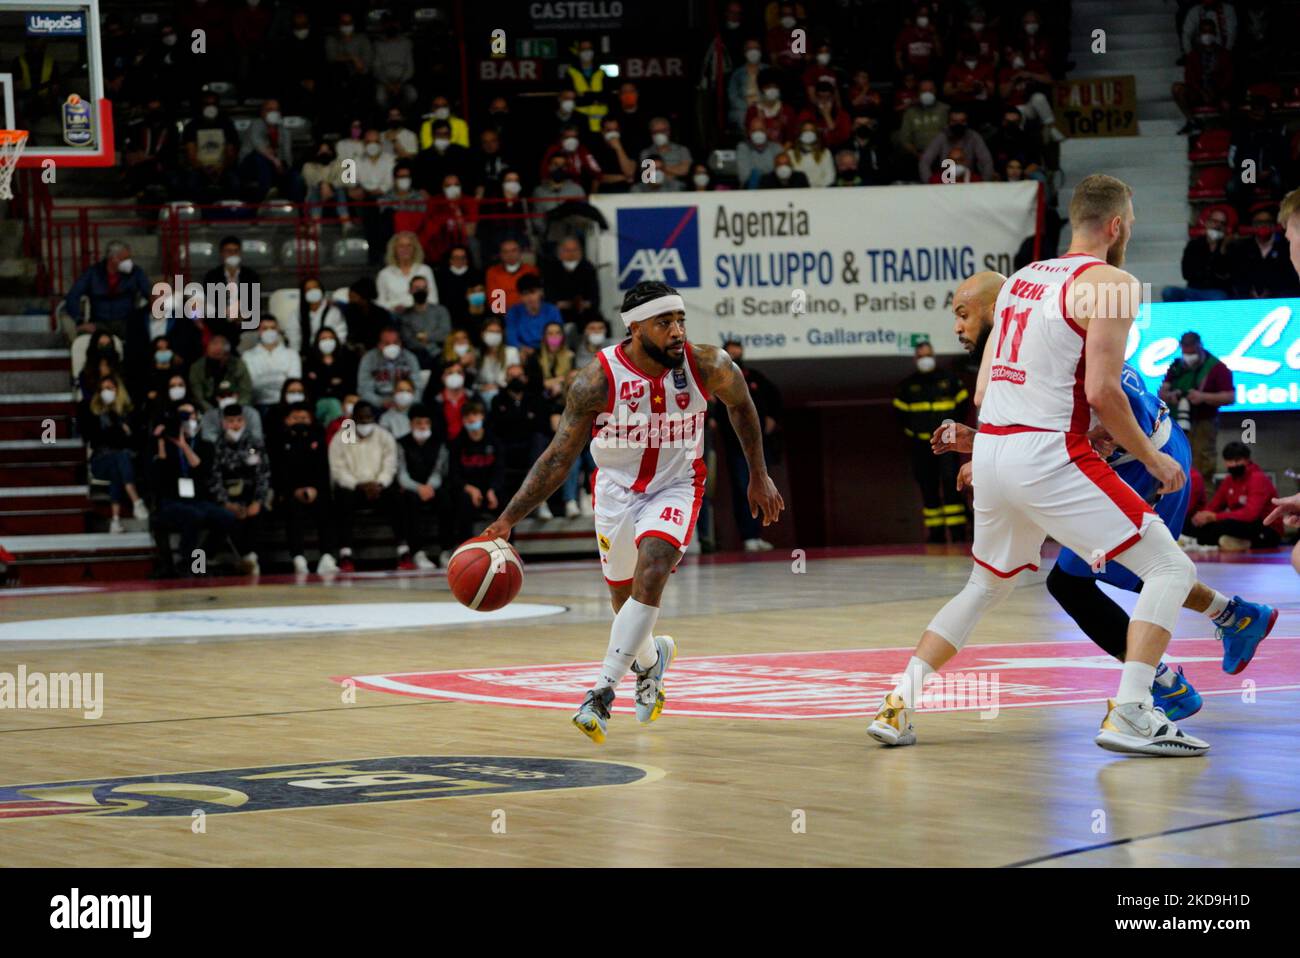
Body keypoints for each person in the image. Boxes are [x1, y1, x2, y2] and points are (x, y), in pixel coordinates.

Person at [869, 174, 1224, 757]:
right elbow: (1105, 392)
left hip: (996, 452)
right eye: (1130, 221)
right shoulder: (1112, 283)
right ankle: (1133, 710)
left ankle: (898, 703)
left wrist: (982, 448)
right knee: (1169, 569)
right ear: (1115, 225)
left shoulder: (1020, 281)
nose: (1129, 229)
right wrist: (1152, 457)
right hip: (1050, 454)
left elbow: (985, 393)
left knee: (983, 587)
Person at [938, 271, 1275, 723]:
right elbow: (1046, 431)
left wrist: (985, 449)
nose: (957, 328)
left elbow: (1092, 431)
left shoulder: (1032, 346)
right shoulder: (1031, 333)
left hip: (1143, 456)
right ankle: (1225, 625)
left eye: (963, 315)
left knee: (1100, 578)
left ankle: (1159, 686)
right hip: (1141, 445)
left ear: (999, 308)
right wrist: (986, 447)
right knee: (1115, 575)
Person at [482, 280, 784, 743]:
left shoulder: (708, 364)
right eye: (665, 322)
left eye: (681, 320)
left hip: (677, 485)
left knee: (654, 567)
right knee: (625, 601)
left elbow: (742, 408)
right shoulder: (595, 380)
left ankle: (601, 692)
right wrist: (507, 519)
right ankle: (650, 661)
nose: (678, 331)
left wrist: (758, 475)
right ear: (635, 328)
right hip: (616, 490)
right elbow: (558, 458)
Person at [709, 339, 783, 552]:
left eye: (737, 352)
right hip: (736, 447)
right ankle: (748, 535)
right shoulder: (718, 380)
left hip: (759, 445)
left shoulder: (755, 377)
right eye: (730, 353)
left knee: (764, 487)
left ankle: (758, 534)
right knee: (744, 488)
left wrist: (772, 418)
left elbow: (775, 397)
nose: (735, 355)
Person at [149, 401, 236, 578]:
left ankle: (199, 561)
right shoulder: (164, 442)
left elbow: (202, 471)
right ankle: (188, 562)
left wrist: (184, 445)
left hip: (197, 499)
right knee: (193, 516)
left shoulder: (205, 445)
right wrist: (161, 442)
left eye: (191, 415)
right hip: (171, 500)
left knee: (226, 518)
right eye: (183, 415)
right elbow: (160, 476)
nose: (188, 419)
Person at [895, 340, 969, 543]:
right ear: (915, 359)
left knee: (952, 485)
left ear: (933, 356)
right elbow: (900, 416)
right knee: (928, 488)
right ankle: (936, 536)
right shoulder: (907, 387)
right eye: (921, 356)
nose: (924, 360)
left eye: (927, 355)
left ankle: (958, 535)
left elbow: (962, 407)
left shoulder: (950, 381)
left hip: (947, 445)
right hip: (921, 445)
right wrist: (915, 432)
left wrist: (950, 432)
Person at [327, 401, 412, 572]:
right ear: (353, 419)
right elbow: (338, 469)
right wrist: (358, 485)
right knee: (342, 497)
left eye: (369, 418)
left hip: (379, 487)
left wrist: (379, 483)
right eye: (361, 418)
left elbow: (390, 465)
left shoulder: (383, 435)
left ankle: (404, 550)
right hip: (353, 488)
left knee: (399, 497)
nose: (365, 422)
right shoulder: (345, 435)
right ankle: (345, 553)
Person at [1158, 331, 1233, 482]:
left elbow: (1230, 397)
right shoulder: (1176, 366)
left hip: (1203, 423)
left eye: (1192, 350)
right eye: (1185, 350)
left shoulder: (1216, 368)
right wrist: (1170, 395)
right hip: (1175, 422)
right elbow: (1162, 391)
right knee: (1175, 459)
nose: (1188, 354)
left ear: (1199, 346)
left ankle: (1203, 499)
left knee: (1202, 464)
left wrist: (1203, 397)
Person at [273, 402, 339, 574]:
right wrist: (293, 491)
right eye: (295, 418)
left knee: (327, 506)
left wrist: (315, 489)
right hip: (289, 492)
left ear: (310, 420)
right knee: (292, 510)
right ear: (286, 420)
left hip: (315, 490)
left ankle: (326, 556)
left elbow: (324, 470)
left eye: (303, 418)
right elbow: (277, 472)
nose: (299, 421)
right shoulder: (278, 441)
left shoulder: (318, 439)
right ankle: (298, 558)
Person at [79, 375, 149, 532]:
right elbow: (95, 439)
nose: (106, 392)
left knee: (116, 470)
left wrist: (116, 434)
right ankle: (136, 500)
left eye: (110, 388)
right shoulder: (92, 412)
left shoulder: (128, 412)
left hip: (122, 461)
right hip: (100, 460)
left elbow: (134, 440)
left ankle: (115, 520)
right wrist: (120, 432)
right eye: (103, 389)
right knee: (120, 458)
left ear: (118, 391)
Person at [208, 403, 270, 575]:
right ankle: (208, 561)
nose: (235, 425)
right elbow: (214, 478)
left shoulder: (255, 443)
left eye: (238, 420)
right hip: (229, 498)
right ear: (223, 423)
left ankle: (253, 558)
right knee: (228, 519)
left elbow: (263, 475)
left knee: (257, 517)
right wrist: (226, 503)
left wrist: (257, 501)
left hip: (251, 496)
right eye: (230, 421)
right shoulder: (217, 446)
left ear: (244, 421)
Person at [1189, 442, 1285, 551]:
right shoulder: (1228, 481)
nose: (1234, 464)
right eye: (1230, 461)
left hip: (1266, 528)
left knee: (1225, 525)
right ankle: (1236, 542)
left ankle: (1240, 542)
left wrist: (1215, 517)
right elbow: (1214, 505)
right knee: (1203, 525)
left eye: (1238, 460)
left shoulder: (1258, 479)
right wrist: (1202, 516)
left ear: (1247, 460)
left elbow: (1250, 514)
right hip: (1239, 523)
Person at [447, 400, 506, 553]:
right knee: (462, 501)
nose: (471, 419)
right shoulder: (457, 444)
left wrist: (493, 489)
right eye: (467, 416)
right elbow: (453, 474)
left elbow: (499, 470)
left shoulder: (494, 441)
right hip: (467, 489)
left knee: (506, 500)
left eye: (475, 414)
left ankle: (507, 548)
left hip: (489, 488)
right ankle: (465, 550)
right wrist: (469, 489)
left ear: (482, 417)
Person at [63, 241, 151, 339]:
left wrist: (141, 316)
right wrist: (79, 321)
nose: (129, 262)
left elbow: (149, 294)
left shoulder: (136, 272)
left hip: (127, 322)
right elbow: (73, 296)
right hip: (99, 322)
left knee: (142, 334)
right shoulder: (93, 273)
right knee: (84, 337)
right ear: (112, 258)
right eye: (125, 258)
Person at [396, 405, 449, 569]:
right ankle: (417, 552)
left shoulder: (439, 443)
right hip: (411, 488)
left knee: (446, 499)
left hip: (432, 487)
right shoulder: (401, 443)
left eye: (427, 423)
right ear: (411, 424)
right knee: (408, 501)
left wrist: (429, 487)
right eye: (419, 423)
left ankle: (446, 550)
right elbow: (401, 473)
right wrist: (418, 488)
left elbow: (439, 471)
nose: (423, 426)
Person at [1162, 208, 1234, 300]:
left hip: (1216, 291)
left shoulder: (1229, 247)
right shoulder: (1194, 244)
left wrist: (1222, 250)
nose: (1218, 225)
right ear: (1207, 223)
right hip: (1193, 290)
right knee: (1168, 292)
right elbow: (1186, 274)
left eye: (1222, 223)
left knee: (1218, 297)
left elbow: (1226, 274)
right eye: (1215, 221)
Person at [242, 317, 302, 413]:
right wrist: (280, 378)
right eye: (265, 328)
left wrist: (264, 379)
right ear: (259, 331)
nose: (269, 331)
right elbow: (252, 384)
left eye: (273, 328)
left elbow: (293, 383)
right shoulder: (248, 356)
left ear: (278, 330)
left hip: (286, 404)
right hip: (259, 403)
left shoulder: (292, 354)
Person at [358, 327, 422, 410]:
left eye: (395, 342)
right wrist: (381, 402)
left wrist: (410, 403)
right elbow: (364, 390)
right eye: (387, 343)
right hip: (378, 404)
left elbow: (418, 387)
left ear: (400, 343)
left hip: (407, 403)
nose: (392, 347)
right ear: (379, 344)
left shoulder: (410, 358)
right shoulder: (369, 359)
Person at [303, 327, 357, 425]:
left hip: (342, 400)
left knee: (344, 409)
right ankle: (344, 438)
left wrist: (321, 380)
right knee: (333, 404)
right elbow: (310, 388)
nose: (327, 341)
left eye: (330, 338)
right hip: (317, 404)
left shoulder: (345, 360)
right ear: (317, 342)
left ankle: (337, 437)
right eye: (323, 339)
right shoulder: (310, 362)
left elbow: (350, 384)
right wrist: (332, 382)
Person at [400, 275, 452, 369]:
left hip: (441, 354)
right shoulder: (405, 315)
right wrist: (432, 340)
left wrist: (425, 337)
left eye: (424, 288)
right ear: (410, 291)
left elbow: (445, 334)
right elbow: (408, 340)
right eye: (417, 288)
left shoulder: (441, 310)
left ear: (428, 290)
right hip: (416, 357)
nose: (421, 291)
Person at [377, 231, 437, 312]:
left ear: (415, 249)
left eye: (409, 246)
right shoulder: (384, 274)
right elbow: (380, 302)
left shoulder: (425, 270)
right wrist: (393, 307)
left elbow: (433, 299)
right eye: (401, 246)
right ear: (394, 249)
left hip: (422, 315)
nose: (406, 249)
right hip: (395, 316)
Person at [505, 274, 562, 353]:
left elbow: (557, 335)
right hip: (524, 351)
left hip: (549, 350)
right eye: (525, 294)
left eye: (533, 292)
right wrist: (522, 348)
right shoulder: (514, 312)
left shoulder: (552, 310)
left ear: (541, 292)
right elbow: (511, 338)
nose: (530, 297)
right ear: (520, 296)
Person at [486, 240, 540, 313]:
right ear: (500, 255)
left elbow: (534, 297)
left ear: (520, 252)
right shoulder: (493, 273)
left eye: (514, 250)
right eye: (505, 252)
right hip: (504, 316)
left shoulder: (530, 270)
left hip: (527, 314)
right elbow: (496, 304)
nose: (510, 254)